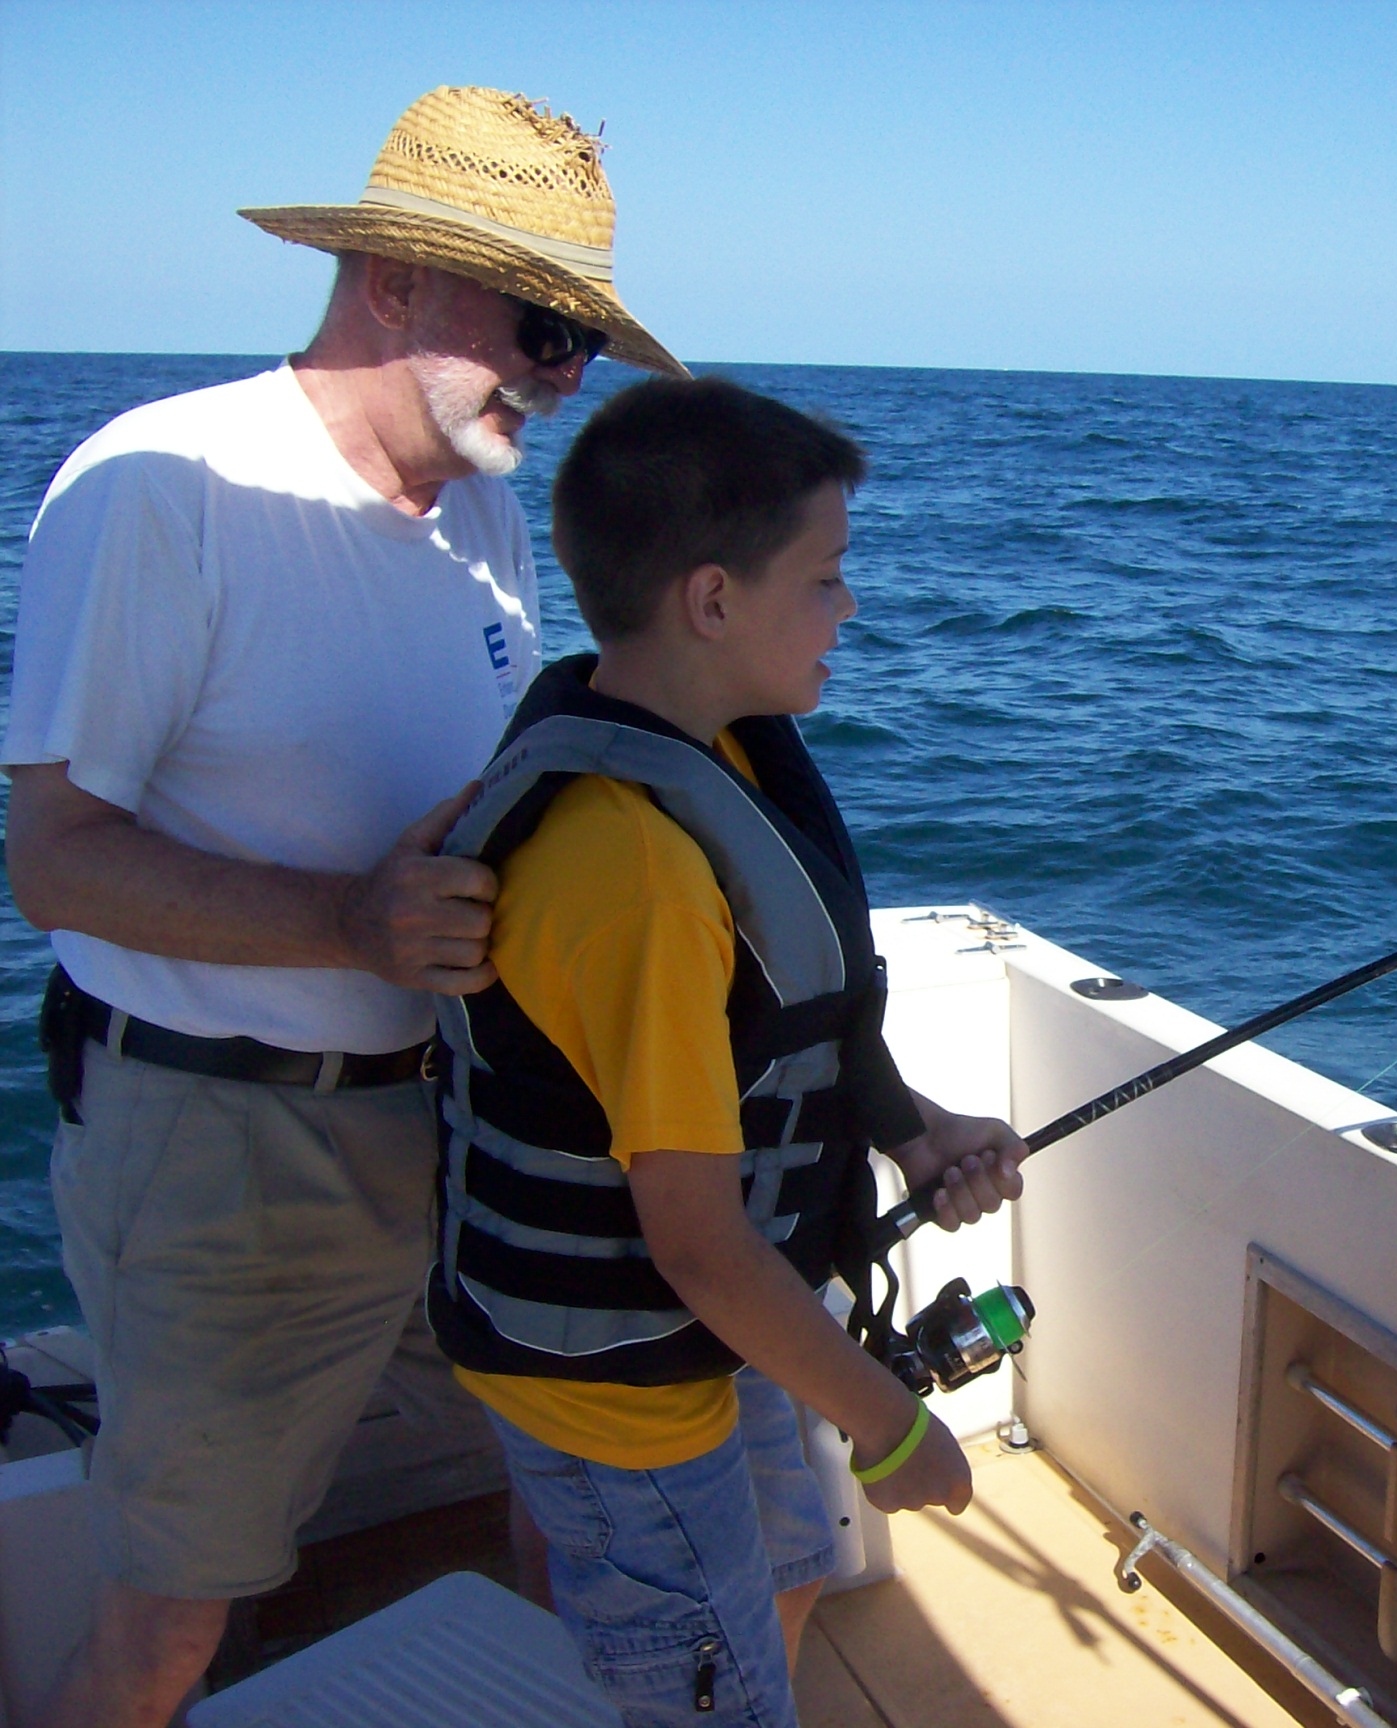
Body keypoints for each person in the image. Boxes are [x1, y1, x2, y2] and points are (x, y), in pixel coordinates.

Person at [2, 87, 683, 1726]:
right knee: (176, 1612)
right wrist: (348, 930)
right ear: (390, 281)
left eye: (584, 334)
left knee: (551, 1501)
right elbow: (52, 856)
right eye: (540, 323)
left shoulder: (484, 509)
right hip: (228, 1148)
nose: (566, 376)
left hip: (456, 1128)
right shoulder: (164, 485)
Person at [428, 376, 1024, 1726]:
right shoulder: (633, 869)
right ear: (711, 601)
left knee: (798, 1562)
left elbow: (790, 1026)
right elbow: (698, 1245)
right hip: (622, 1400)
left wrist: (910, 1127)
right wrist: (896, 1425)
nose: (850, 611)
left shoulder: (714, 757)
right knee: (708, 1684)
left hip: (710, 1342)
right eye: (825, 578)